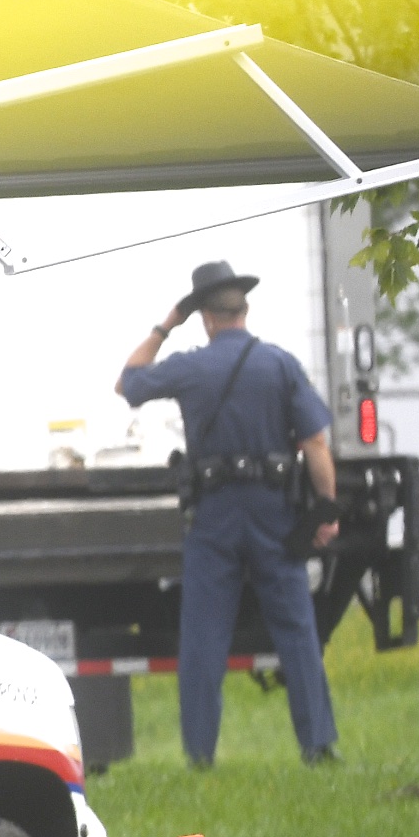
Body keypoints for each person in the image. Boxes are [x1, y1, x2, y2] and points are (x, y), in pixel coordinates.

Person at [116, 257, 342, 769]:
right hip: (275, 517)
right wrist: (326, 510)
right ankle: (318, 746)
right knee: (296, 632)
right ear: (244, 309)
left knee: (203, 639)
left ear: (205, 317)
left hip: (214, 519)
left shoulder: (192, 366)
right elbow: (316, 444)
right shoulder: (279, 364)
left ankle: (200, 756)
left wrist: (163, 325)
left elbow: (127, 383)